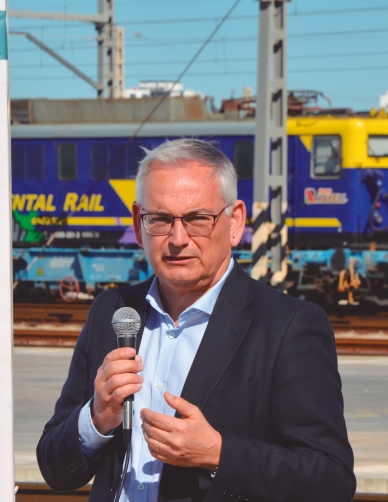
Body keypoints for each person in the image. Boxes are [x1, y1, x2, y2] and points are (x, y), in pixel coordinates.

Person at [37, 138, 356, 501]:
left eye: (197, 219)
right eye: (160, 219)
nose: (177, 238)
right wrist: (96, 420)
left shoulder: (289, 327)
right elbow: (55, 471)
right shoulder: (112, 311)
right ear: (138, 225)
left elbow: (332, 481)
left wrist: (218, 454)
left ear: (234, 222)